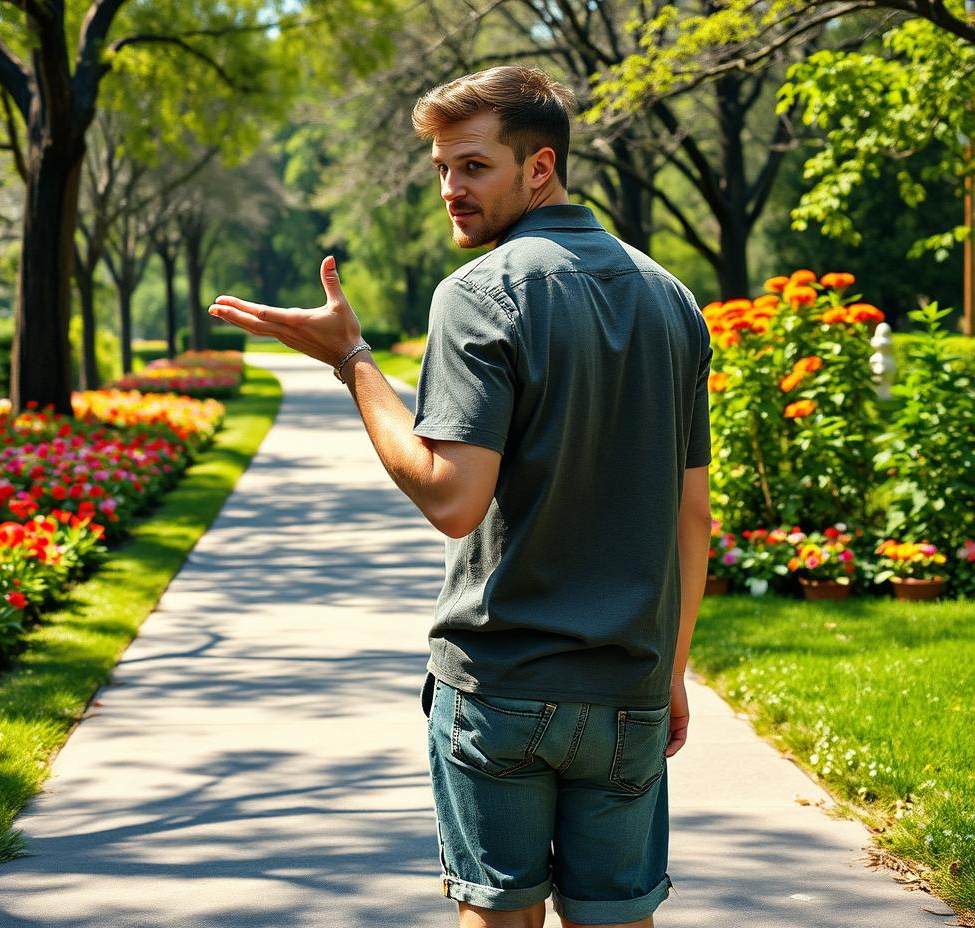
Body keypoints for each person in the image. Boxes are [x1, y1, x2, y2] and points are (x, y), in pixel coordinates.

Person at [208, 65, 712, 928]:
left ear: (540, 168)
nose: (450, 188)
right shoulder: (673, 300)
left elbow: (451, 501)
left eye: (473, 166)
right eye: (442, 167)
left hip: (501, 684)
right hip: (626, 689)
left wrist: (351, 362)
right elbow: (691, 516)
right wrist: (669, 671)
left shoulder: (480, 295)